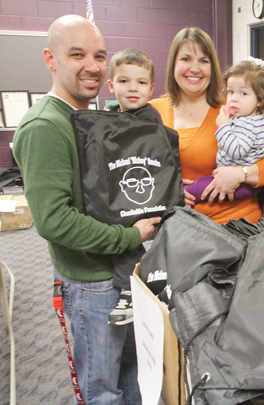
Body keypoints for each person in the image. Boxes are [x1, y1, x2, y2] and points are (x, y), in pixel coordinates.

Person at [12, 15, 160, 404]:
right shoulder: (45, 125)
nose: (92, 66)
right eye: (77, 54)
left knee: (131, 377)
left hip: (117, 273)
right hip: (91, 282)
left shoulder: (89, 120)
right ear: (50, 59)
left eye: (99, 55)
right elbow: (53, 220)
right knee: (102, 389)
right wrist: (130, 236)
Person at [150, 27, 264, 224]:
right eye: (186, 59)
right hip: (180, 226)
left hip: (237, 223)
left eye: (203, 61)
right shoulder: (153, 112)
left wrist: (240, 174)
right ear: (173, 64)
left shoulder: (232, 108)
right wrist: (166, 191)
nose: (195, 68)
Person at [105, 48, 164, 326]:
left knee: (128, 232)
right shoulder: (113, 118)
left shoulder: (149, 118)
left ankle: (130, 288)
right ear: (111, 86)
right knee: (117, 227)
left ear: (151, 88)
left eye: (141, 83)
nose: (132, 89)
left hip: (147, 190)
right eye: (124, 81)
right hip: (124, 187)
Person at [184, 58, 264, 201]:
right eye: (230, 92)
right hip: (247, 182)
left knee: (190, 189)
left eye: (243, 93)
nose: (234, 99)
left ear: (260, 99)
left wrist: (224, 126)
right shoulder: (261, 120)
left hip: (240, 184)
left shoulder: (247, 124)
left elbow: (237, 151)